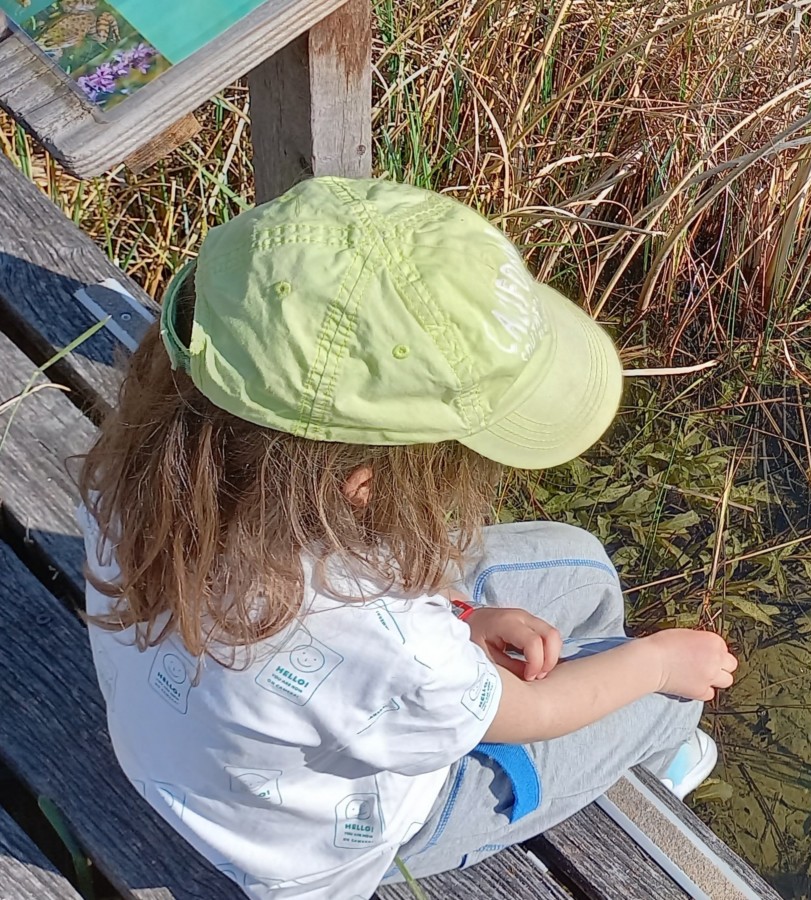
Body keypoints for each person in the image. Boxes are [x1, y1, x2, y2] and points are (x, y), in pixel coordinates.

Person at [76, 177, 738, 898]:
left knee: (578, 569)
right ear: (360, 488)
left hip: (189, 766)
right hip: (336, 843)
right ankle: (660, 754)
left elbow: (372, 635)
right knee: (669, 695)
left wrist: (466, 616)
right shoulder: (401, 653)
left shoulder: (136, 477)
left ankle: (584, 681)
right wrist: (660, 663)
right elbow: (530, 714)